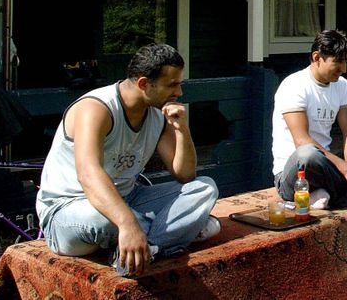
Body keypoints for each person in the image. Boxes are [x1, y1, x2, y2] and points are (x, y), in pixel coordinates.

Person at [36, 44, 219, 277]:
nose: (179, 92)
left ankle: (148, 247)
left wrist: (182, 130)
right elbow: (88, 174)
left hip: (129, 198)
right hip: (68, 210)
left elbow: (184, 175)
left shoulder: (157, 113)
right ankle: (170, 233)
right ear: (144, 83)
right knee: (104, 220)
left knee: (204, 188)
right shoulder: (96, 108)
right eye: (172, 84)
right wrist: (127, 223)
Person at [271, 29, 347, 209]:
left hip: (327, 165)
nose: (344, 69)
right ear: (316, 58)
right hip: (295, 174)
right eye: (337, 61)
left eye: (345, 61)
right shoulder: (294, 85)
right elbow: (302, 141)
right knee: (308, 154)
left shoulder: (342, 85)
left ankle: (339, 189)